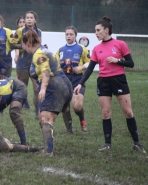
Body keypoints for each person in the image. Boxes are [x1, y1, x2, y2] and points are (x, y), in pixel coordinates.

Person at [73, 16, 146, 153]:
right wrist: (80, 84)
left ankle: (137, 143)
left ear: (106, 30)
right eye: (95, 30)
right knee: (106, 113)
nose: (96, 33)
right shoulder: (96, 48)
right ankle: (107, 144)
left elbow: (131, 63)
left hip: (119, 80)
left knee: (128, 112)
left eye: (98, 30)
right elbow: (90, 68)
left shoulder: (120, 44)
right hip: (103, 81)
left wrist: (118, 60)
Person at [21, 29, 73, 155]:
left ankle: (48, 152)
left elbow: (45, 72)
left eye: (22, 45)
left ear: (27, 43)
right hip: (64, 83)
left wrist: (43, 88)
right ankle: (47, 146)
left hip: (54, 86)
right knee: (41, 116)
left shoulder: (38, 54)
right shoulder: (44, 49)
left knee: (45, 118)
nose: (22, 47)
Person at [55, 26, 90, 133]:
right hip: (64, 81)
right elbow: (55, 66)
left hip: (77, 80)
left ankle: (82, 120)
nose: (69, 36)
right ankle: (69, 130)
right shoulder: (60, 50)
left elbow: (90, 62)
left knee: (77, 107)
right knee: (65, 106)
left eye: (71, 34)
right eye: (67, 34)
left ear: (75, 36)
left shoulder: (81, 48)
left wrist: (81, 67)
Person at [10, 11, 42, 118]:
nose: (29, 19)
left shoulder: (39, 31)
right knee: (22, 88)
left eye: (31, 18)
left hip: (35, 64)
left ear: (35, 20)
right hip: (22, 64)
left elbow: (38, 46)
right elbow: (11, 45)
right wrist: (21, 46)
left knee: (37, 88)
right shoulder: (20, 31)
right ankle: (17, 109)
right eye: (27, 17)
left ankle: (38, 111)